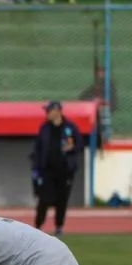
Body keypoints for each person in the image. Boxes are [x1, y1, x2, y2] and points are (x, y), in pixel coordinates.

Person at [32, 101, 80, 236]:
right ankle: (38, 225)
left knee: (62, 200)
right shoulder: (45, 127)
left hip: (64, 171)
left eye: (49, 110)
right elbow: (38, 148)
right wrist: (36, 167)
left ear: (57, 111)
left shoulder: (69, 127)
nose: (47, 113)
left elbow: (80, 144)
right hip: (47, 171)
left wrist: (72, 148)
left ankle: (59, 226)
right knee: (44, 199)